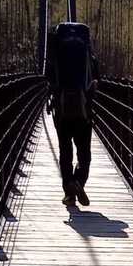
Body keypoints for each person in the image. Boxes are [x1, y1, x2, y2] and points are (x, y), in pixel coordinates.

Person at [46, 19, 98, 207]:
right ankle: (78, 181)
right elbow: (96, 80)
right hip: (84, 111)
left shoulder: (56, 55)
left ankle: (69, 193)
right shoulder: (89, 56)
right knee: (84, 154)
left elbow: (48, 78)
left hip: (62, 111)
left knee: (65, 151)